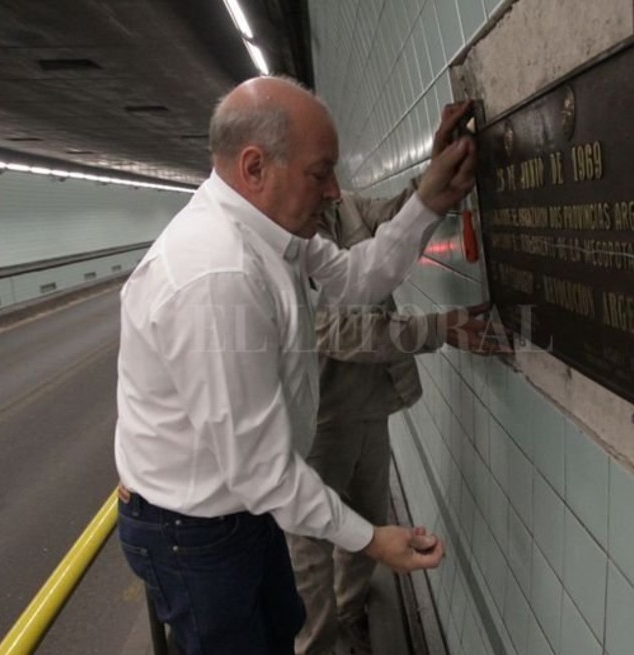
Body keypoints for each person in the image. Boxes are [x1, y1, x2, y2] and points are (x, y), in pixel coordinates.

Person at [113, 76, 476, 655]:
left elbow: (360, 278)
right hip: (194, 534)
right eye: (319, 172)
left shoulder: (269, 229)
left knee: (279, 633)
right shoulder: (217, 276)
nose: (334, 192)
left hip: (240, 510)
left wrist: (429, 199)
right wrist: (373, 539)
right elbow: (259, 469)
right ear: (255, 167)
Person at [289, 102, 509, 655]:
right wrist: (437, 329)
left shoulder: (343, 211)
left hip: (372, 407)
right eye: (321, 176)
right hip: (321, 421)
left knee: (365, 518)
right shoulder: (287, 245)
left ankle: (352, 613)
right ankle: (316, 642)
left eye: (333, 175)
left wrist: (435, 172)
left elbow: (394, 216)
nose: (334, 190)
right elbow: (339, 333)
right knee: (314, 542)